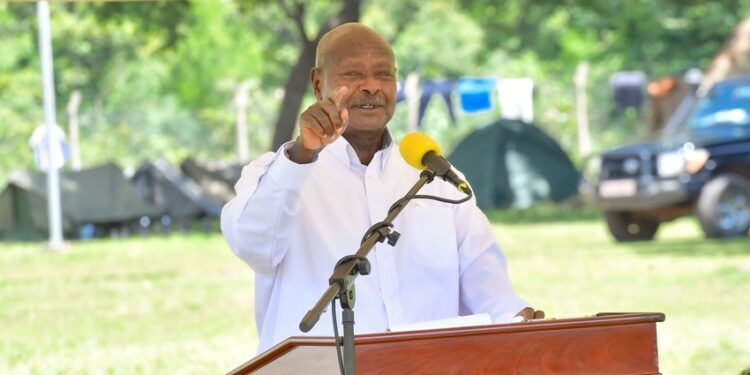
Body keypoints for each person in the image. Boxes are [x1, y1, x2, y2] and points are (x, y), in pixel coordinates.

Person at [221, 22, 542, 354]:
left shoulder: (437, 179)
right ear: (318, 84)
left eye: (384, 75)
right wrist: (302, 155)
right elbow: (252, 245)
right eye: (353, 74)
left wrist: (524, 325)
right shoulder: (278, 172)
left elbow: (493, 298)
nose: (371, 87)